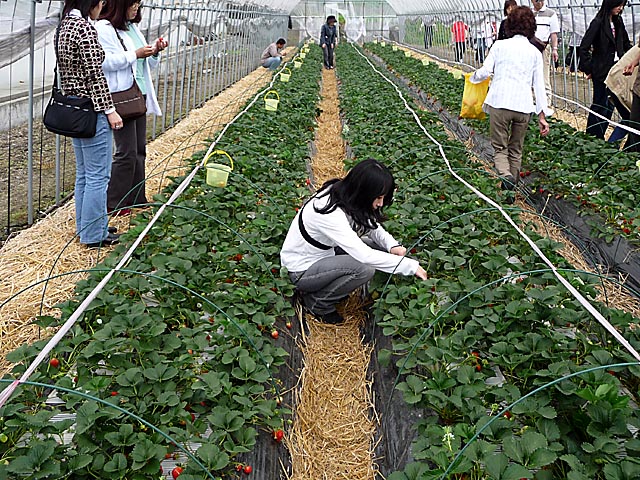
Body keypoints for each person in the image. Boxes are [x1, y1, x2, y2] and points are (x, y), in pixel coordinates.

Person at [281, 159, 427, 324]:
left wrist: (392, 246)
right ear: (363, 192)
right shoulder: (330, 214)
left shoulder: (346, 195)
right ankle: (318, 303)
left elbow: (370, 225)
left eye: (383, 197)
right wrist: (410, 266)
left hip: (325, 253)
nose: (380, 203)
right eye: (378, 197)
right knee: (364, 269)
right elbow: (365, 256)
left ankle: (331, 289)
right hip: (301, 270)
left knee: (377, 247)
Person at [469, 6, 552, 201]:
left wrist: (473, 77)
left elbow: (485, 71)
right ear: (531, 27)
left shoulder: (499, 46)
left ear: (510, 24)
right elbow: (539, 86)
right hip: (523, 107)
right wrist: (542, 115)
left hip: (500, 102)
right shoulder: (534, 52)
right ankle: (510, 194)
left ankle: (506, 176)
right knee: (516, 150)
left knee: (500, 148)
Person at [57, 0, 121, 248]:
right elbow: (95, 76)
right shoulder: (84, 28)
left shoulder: (64, 25)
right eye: (101, 2)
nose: (101, 7)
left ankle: (89, 226)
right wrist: (110, 110)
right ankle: (94, 234)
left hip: (76, 110)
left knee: (85, 174)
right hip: (92, 110)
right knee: (98, 176)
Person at [96, 0, 167, 217]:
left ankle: (136, 197)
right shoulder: (104, 28)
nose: (136, 8)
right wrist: (135, 54)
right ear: (119, 5)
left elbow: (146, 65)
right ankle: (114, 202)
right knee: (126, 152)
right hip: (121, 96)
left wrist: (155, 52)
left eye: (138, 4)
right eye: (132, 4)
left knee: (139, 150)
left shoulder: (132, 28)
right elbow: (104, 62)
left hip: (139, 94)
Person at [579, 0, 631, 140]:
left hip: (616, 70)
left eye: (622, 5)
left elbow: (626, 43)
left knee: (610, 105)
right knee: (599, 104)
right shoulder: (598, 23)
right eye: (618, 5)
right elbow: (584, 47)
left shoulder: (618, 22)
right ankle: (592, 137)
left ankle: (599, 137)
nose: (620, 8)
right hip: (601, 71)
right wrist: (590, 68)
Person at [532, 0, 560, 91]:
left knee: (544, 75)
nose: (539, 2)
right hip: (531, 47)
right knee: (531, 73)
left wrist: (555, 49)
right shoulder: (529, 14)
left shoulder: (551, 14)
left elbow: (553, 33)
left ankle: (547, 97)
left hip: (544, 47)